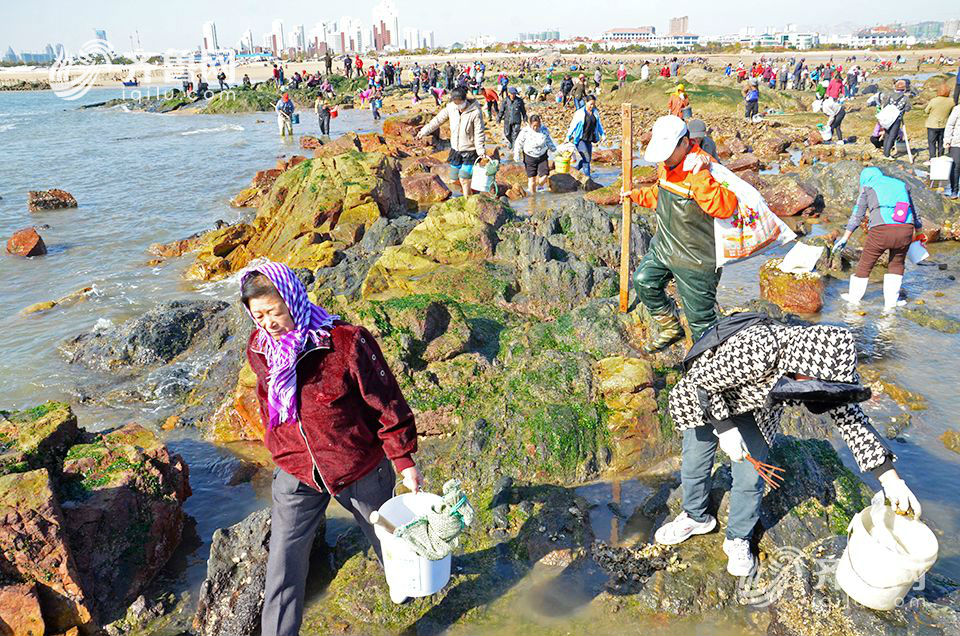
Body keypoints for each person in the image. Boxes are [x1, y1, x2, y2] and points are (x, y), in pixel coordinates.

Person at [659, 314, 920, 577]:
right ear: (801, 365)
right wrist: (725, 430)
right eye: (814, 387)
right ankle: (695, 516)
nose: (816, 394)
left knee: (751, 476)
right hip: (703, 396)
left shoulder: (835, 366)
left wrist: (891, 480)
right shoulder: (760, 347)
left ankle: (738, 538)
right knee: (695, 460)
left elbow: (852, 421)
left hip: (754, 408)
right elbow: (702, 383)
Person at [241, 262, 422, 636]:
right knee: (283, 564)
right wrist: (277, 447)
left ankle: (408, 588)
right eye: (258, 315)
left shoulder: (346, 341)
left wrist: (403, 459)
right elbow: (268, 404)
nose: (268, 323)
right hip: (296, 472)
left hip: (359, 466)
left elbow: (385, 402)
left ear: (292, 299)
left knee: (392, 542)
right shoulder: (259, 348)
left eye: (274, 311)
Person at [621, 115, 739, 352]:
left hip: (696, 260)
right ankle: (670, 326)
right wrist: (635, 195)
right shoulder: (667, 165)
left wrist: (703, 177)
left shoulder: (702, 168)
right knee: (643, 281)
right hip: (664, 247)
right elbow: (660, 195)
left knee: (702, 325)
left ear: (685, 142)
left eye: (668, 151)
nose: (664, 158)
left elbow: (727, 207)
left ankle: (709, 371)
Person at [834, 167, 922, 310]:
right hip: (906, 228)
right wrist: (919, 233)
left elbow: (858, 216)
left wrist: (845, 238)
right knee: (897, 263)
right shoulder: (901, 184)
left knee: (865, 263)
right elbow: (915, 211)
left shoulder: (868, 187)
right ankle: (891, 304)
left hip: (881, 230)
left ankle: (854, 299)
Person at [416, 86, 486, 196]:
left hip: (470, 151)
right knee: (453, 179)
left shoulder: (475, 112)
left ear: (465, 100)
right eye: (455, 102)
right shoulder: (451, 108)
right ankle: (471, 190)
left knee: (463, 177)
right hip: (456, 150)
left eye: (460, 102)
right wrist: (424, 131)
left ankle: (467, 200)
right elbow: (437, 120)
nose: (458, 106)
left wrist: (481, 149)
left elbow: (479, 132)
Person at [513, 114, 556, 194]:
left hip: (542, 155)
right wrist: (517, 154)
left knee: (545, 175)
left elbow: (548, 140)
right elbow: (518, 143)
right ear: (530, 124)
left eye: (538, 125)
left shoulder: (543, 129)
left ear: (540, 123)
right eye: (534, 126)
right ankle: (533, 198)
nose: (536, 128)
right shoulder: (525, 131)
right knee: (532, 179)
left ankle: (540, 185)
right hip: (530, 157)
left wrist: (554, 150)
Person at [564, 94, 605, 178]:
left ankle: (575, 169)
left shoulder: (595, 112)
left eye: (593, 104)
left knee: (587, 159)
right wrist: (568, 137)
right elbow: (573, 126)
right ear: (586, 102)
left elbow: (599, 125)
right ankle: (588, 177)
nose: (592, 106)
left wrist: (603, 134)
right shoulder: (579, 113)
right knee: (586, 158)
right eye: (590, 104)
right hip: (580, 139)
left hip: (589, 139)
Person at [873, 80, 911, 158]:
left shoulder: (890, 95)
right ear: (904, 89)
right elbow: (908, 108)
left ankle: (885, 153)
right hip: (897, 119)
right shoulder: (905, 98)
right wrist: (903, 110)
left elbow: (885, 104)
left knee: (887, 134)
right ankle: (887, 154)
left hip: (888, 118)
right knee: (892, 136)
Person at [925, 83, 954, 160]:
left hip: (932, 125)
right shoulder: (951, 101)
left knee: (932, 143)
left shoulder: (934, 100)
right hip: (944, 124)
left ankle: (932, 158)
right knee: (941, 142)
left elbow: (926, 111)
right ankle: (941, 157)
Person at [945, 101, 960, 198]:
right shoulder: (957, 109)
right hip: (957, 142)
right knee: (956, 166)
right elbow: (950, 125)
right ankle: (954, 190)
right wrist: (947, 140)